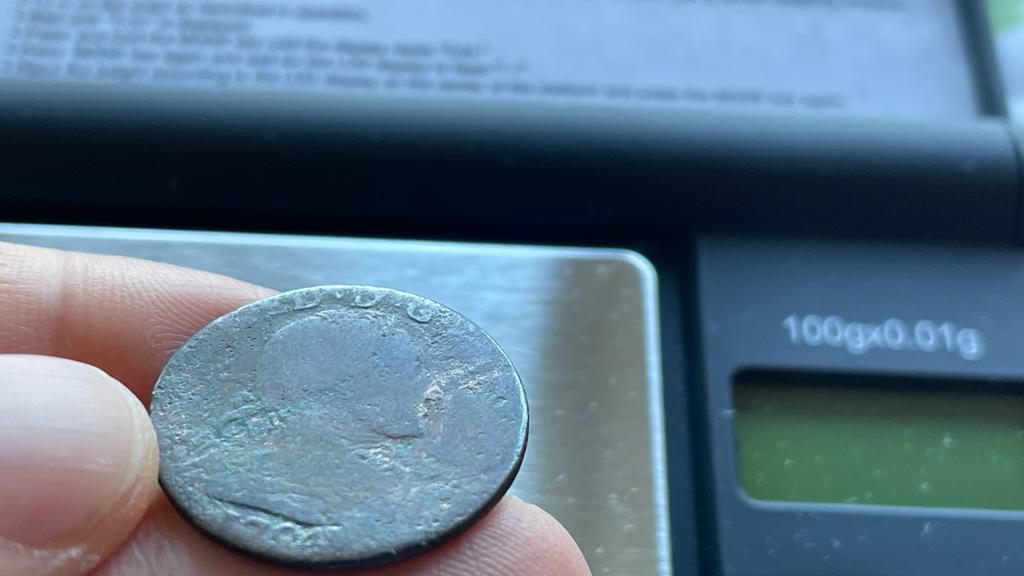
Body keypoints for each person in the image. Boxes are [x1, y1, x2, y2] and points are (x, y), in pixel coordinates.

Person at [0, 241, 592, 576]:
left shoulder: (375, 490)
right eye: (409, 374)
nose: (428, 393)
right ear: (340, 392)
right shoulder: (255, 492)